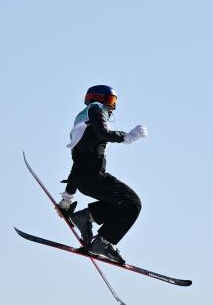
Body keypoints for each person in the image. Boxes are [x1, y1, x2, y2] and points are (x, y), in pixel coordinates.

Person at [56, 84, 147, 265]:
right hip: (95, 179)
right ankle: (102, 242)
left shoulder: (80, 128)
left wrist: (67, 197)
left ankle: (85, 217)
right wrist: (127, 137)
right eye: (111, 100)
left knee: (121, 204)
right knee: (133, 204)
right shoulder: (96, 109)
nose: (112, 107)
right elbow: (103, 133)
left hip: (86, 181)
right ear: (98, 98)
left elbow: (77, 164)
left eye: (114, 102)